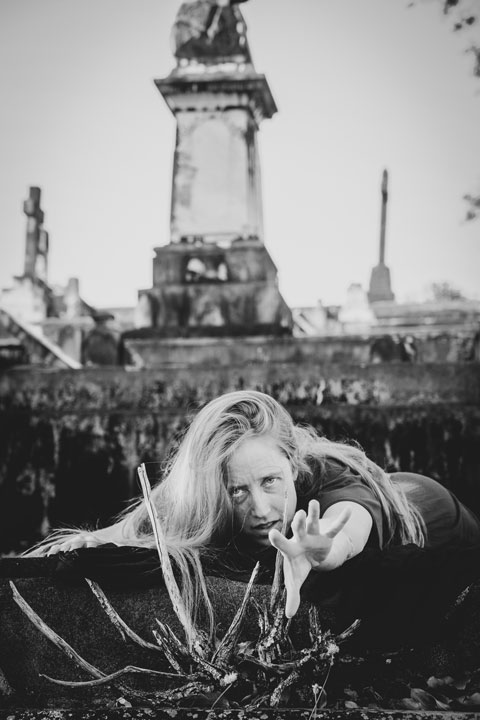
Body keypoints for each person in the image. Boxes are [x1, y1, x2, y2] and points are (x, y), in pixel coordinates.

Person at [31, 390, 480, 637]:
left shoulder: (327, 476)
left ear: (292, 462)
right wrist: (92, 543)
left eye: (270, 482)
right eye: (238, 492)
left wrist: (326, 549)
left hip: (428, 510)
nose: (261, 509)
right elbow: (132, 527)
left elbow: (349, 521)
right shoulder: (203, 490)